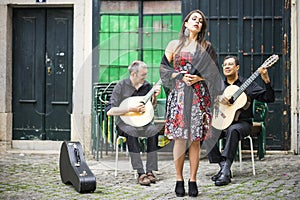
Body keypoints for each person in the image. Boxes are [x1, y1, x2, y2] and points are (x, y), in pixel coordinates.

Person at [160, 10, 222, 197]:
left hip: (198, 96)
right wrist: (180, 75)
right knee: (180, 139)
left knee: (195, 140)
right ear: (186, 23)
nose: (197, 22)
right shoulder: (174, 45)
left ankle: (193, 180)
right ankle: (179, 179)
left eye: (201, 21)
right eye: (194, 19)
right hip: (179, 95)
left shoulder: (206, 47)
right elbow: (163, 71)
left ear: (202, 27)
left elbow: (214, 74)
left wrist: (199, 78)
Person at [207, 55, 275, 186]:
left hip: (243, 123)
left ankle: (225, 172)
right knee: (206, 131)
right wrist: (217, 101)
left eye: (230, 64)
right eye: (225, 64)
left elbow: (269, 98)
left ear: (237, 67)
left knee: (233, 130)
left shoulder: (248, 85)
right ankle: (224, 167)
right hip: (223, 122)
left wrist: (266, 80)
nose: (227, 66)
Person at [106, 60, 161, 186]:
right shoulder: (121, 86)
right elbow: (110, 110)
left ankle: (150, 171)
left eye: (145, 74)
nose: (145, 77)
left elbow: (150, 107)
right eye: (143, 75)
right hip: (125, 124)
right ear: (133, 74)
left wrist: (155, 97)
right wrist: (131, 109)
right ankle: (140, 173)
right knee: (131, 132)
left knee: (153, 130)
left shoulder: (146, 86)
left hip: (143, 123)